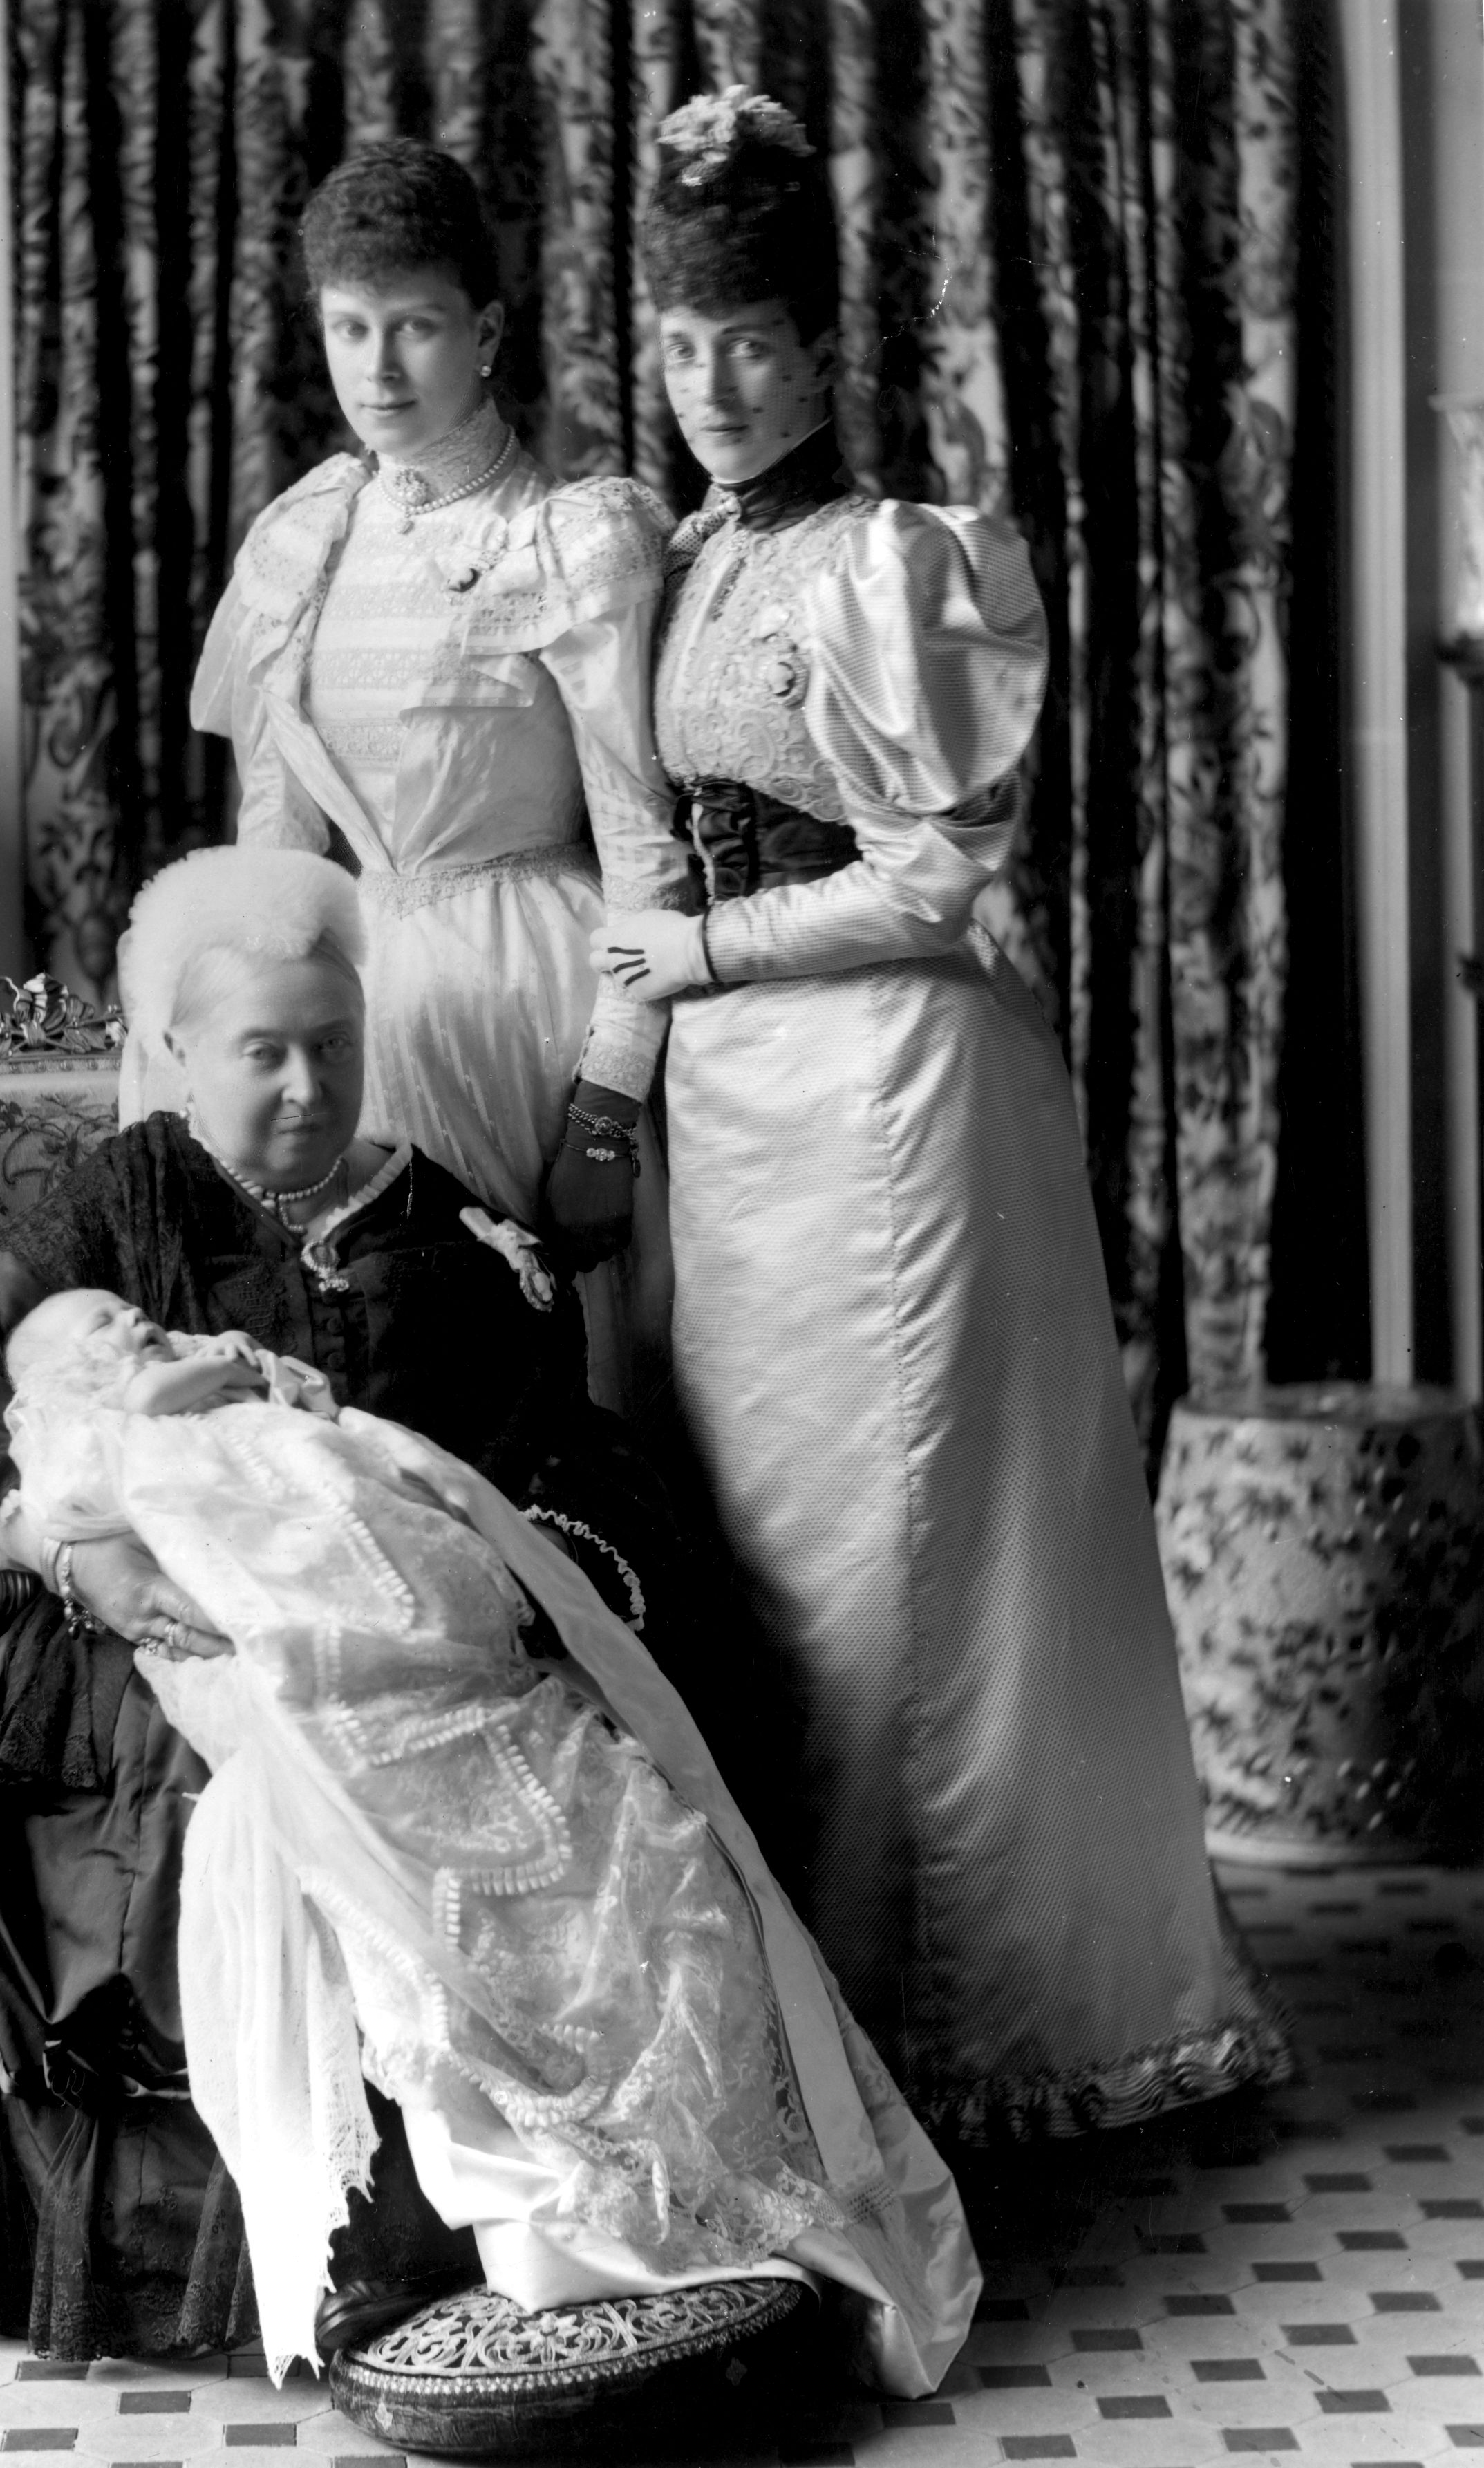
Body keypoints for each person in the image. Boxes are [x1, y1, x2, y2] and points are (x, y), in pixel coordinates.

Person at [590, 88, 1295, 2142]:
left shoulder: (900, 564)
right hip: (736, 1116)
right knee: (776, 1558)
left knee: (906, 1562)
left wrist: (703, 962)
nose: (711, 384)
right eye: (677, 342)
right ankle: (812, 2006)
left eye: (747, 341)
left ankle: (972, 2036)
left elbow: (934, 869)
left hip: (893, 1095)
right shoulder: (685, 554)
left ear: (820, 348)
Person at [0, 847, 683, 2363]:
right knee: (208, 1814)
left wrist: (518, 1576)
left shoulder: (439, 1228)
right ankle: (267, 2245)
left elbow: (542, 1439)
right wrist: (55, 1539)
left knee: (556, 1806)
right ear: (178, 1055)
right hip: (137, 1622)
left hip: (384, 1628)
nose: (303, 1088)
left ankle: (532, 2212)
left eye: (333, 1048)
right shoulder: (123, 1197)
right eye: (261, 1055)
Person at [0, 1285, 978, 2390]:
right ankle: (589, 2223)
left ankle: (704, 2184)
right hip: (320, 1661)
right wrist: (181, 1392)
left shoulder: (235, 1385)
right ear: (56, 1389)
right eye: (100, 1333)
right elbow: (63, 1489)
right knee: (440, 1908)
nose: (133, 1327)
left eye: (130, 1313)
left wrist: (256, 1385)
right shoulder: (105, 1439)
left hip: (419, 1615)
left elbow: (344, 1456)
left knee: (619, 1839)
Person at [186, 139, 684, 1414]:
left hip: (533, 1017)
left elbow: (645, 851)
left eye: (416, 326)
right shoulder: (300, 541)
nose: (380, 367)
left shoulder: (570, 540)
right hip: (353, 1035)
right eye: (350, 329)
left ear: (488, 330)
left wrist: (608, 1110)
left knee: (541, 1407)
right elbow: (276, 854)